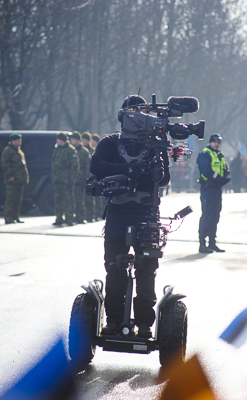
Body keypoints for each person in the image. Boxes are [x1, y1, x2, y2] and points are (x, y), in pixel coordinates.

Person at [90, 94, 170, 338]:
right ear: (122, 116)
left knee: (146, 272)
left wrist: (153, 163)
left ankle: (145, 324)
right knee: (114, 272)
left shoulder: (155, 143)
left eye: (140, 112)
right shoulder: (110, 142)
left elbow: (165, 180)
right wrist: (127, 169)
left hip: (147, 215)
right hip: (118, 215)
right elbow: (96, 166)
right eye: (131, 112)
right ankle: (113, 321)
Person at [197, 133, 231, 253]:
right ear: (211, 142)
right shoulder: (205, 154)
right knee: (207, 214)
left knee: (215, 215)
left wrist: (225, 178)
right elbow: (206, 170)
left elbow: (226, 170)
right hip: (208, 189)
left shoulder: (220, 155)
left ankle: (212, 242)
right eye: (215, 141)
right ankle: (202, 243)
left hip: (217, 189)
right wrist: (219, 180)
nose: (217, 144)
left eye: (219, 142)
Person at [51, 132, 79, 226]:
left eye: (58, 139)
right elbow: (54, 164)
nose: (57, 141)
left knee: (69, 200)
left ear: (62, 140)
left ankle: (69, 218)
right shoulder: (57, 149)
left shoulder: (71, 150)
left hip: (67, 180)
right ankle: (59, 218)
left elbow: (75, 166)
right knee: (58, 199)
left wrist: (72, 179)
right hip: (57, 180)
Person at [1, 132, 29, 224]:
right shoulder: (8, 151)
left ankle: (15, 216)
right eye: (18, 140)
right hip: (12, 180)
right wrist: (10, 176)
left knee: (18, 199)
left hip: (19, 179)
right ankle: (8, 217)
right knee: (10, 199)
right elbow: (5, 165)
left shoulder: (19, 151)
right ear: (13, 140)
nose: (20, 142)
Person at [70, 131, 91, 224]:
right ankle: (71, 217)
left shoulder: (84, 151)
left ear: (78, 140)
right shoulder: (70, 150)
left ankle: (81, 217)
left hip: (81, 179)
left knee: (80, 200)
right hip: (71, 179)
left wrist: (85, 179)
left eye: (73, 139)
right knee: (71, 199)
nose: (71, 141)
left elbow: (88, 167)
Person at [82, 132, 96, 222]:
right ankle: (84, 215)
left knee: (90, 198)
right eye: (82, 139)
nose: (83, 141)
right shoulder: (80, 150)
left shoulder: (92, 151)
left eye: (85, 140)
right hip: (82, 178)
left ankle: (91, 215)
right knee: (82, 198)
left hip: (90, 177)